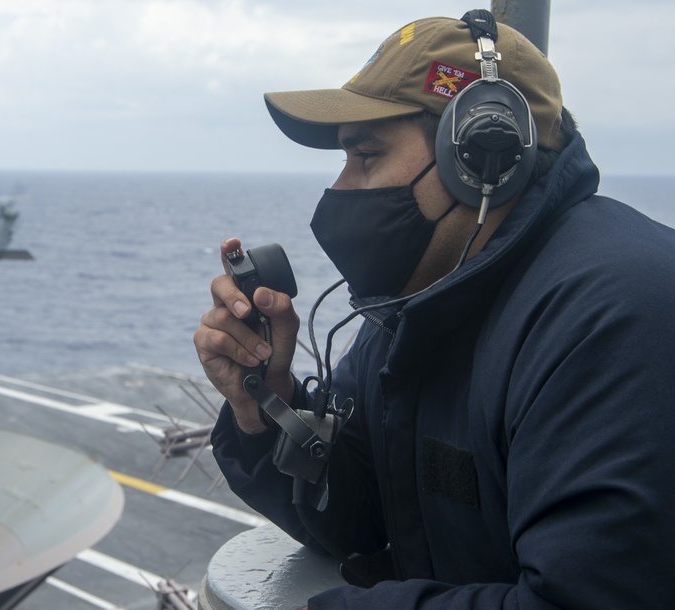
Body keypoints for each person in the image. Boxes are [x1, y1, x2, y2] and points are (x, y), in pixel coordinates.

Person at [193, 10, 675, 609]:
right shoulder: (426, 297)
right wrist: (270, 405)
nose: (339, 188)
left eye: (364, 155)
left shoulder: (616, 314)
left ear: (480, 158)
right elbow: (368, 516)